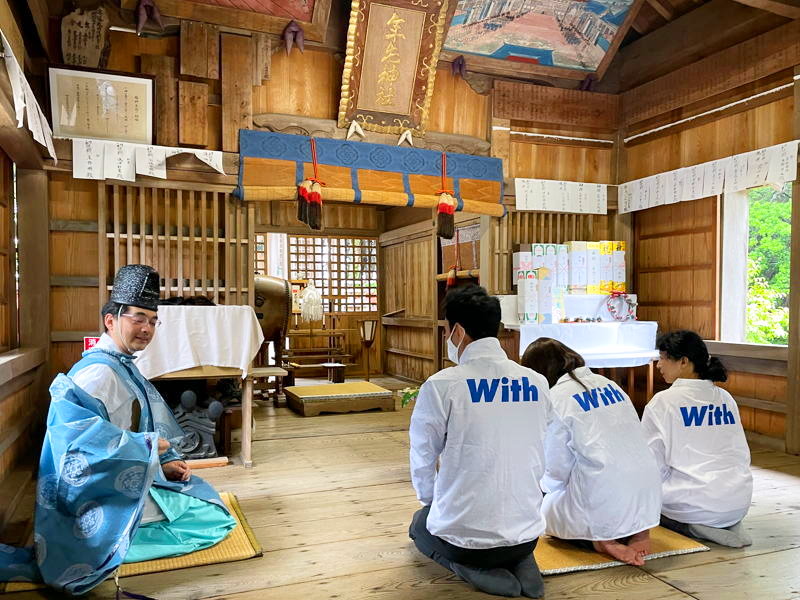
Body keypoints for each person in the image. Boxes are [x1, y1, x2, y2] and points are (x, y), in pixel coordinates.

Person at [0, 265, 236, 595]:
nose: (147, 328)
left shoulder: (119, 364)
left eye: (153, 321)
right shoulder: (98, 374)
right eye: (138, 318)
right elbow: (80, 451)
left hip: (121, 472)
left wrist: (161, 461)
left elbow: (118, 433)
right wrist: (151, 448)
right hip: (92, 491)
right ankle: (108, 549)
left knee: (200, 495)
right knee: (210, 520)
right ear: (111, 321)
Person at [409, 285, 552, 598]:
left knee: (419, 524)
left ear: (458, 331)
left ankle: (473, 569)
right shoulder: (537, 382)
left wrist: (431, 502)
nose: (448, 337)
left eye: (447, 330)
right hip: (527, 532)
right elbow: (547, 449)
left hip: (466, 541)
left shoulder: (442, 385)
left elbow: (422, 455)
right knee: (510, 534)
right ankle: (522, 565)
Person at [522, 338, 661, 566]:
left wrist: (544, 489)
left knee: (543, 512)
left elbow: (556, 471)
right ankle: (639, 531)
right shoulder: (609, 384)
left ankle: (602, 541)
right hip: (648, 497)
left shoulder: (556, 398)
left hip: (605, 499)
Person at [641, 330, 753, 548]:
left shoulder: (663, 401)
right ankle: (727, 523)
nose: (658, 365)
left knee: (644, 501)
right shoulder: (725, 398)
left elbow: (650, 464)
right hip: (739, 501)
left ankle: (695, 528)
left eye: (663, 358)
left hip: (693, 505)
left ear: (684, 361)